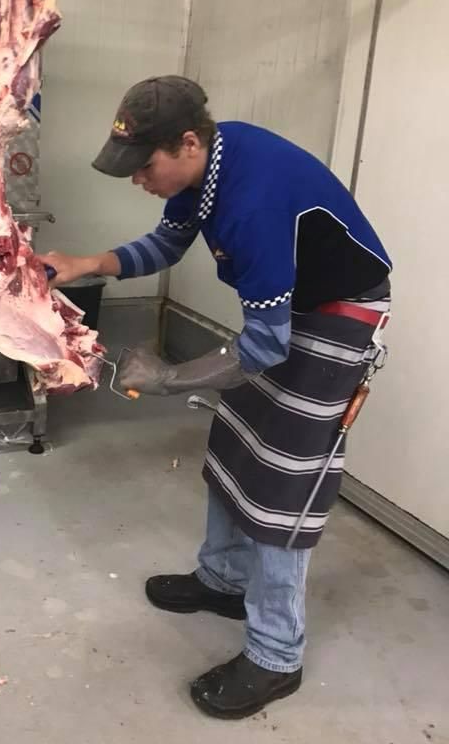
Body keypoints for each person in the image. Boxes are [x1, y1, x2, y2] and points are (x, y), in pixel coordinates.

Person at [39, 76, 391, 720]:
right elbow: (166, 244)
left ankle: (276, 654)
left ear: (189, 142)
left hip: (339, 315)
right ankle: (224, 580)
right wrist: (84, 264)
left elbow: (262, 348)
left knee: (284, 483)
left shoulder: (251, 199)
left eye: (144, 167)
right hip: (290, 312)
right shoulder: (209, 167)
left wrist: (168, 375)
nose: (137, 180)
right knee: (234, 442)